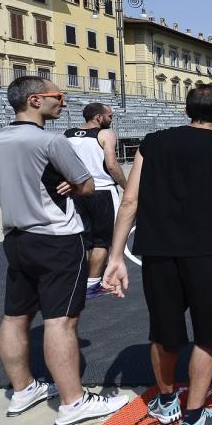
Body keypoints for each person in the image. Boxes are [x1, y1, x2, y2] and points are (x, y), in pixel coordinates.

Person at [104, 84, 212, 425]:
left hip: (158, 251)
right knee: (209, 333)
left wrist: (116, 256)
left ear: (186, 110)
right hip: (207, 252)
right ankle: (193, 418)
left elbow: (129, 200)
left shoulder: (153, 142)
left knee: (164, 329)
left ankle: (165, 402)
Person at [0, 77, 130, 425]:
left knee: (15, 316)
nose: (63, 102)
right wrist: (74, 184)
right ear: (35, 100)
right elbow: (87, 185)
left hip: (16, 237)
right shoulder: (51, 140)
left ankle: (23, 390)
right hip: (55, 237)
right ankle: (73, 401)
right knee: (62, 320)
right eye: (57, 96)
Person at [63, 103, 127, 299]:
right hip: (102, 191)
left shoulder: (67, 134)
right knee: (102, 241)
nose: (111, 118)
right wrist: (126, 185)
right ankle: (92, 284)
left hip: (78, 190)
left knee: (86, 239)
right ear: (98, 117)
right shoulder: (106, 134)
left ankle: (84, 279)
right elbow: (112, 164)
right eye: (109, 115)